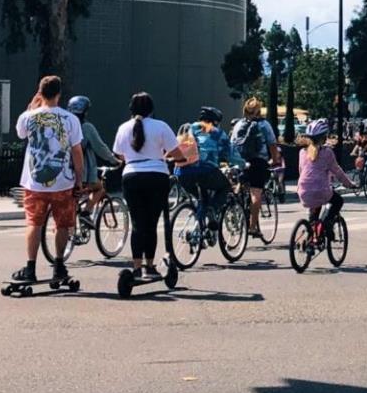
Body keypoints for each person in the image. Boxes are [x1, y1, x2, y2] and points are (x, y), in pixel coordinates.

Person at [12, 76, 85, 289]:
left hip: (34, 181)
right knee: (63, 223)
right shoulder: (71, 119)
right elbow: (77, 151)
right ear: (59, 94)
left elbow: (20, 134)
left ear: (40, 93)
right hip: (63, 181)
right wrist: (79, 179)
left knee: (34, 223)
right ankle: (59, 263)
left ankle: (30, 267)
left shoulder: (28, 117)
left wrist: (30, 107)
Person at [112, 92, 178, 284]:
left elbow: (119, 155)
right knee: (151, 223)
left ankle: (136, 267)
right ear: (151, 109)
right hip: (157, 175)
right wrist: (177, 159)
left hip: (131, 176)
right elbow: (175, 151)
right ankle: (150, 266)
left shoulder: (123, 128)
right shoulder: (161, 126)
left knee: (137, 223)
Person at [176, 106, 242, 222]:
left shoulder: (188, 128)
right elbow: (230, 154)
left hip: (181, 172)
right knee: (225, 186)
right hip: (205, 171)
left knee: (203, 200)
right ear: (215, 121)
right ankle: (212, 209)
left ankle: (199, 230)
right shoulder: (217, 133)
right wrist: (243, 164)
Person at [231, 97, 279, 230]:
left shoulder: (238, 124)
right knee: (255, 192)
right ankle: (252, 226)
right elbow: (272, 145)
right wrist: (274, 160)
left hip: (241, 161)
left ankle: (234, 207)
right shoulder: (264, 124)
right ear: (259, 110)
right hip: (258, 161)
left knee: (240, 183)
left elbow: (232, 144)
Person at [296, 119, 350, 233]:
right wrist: (349, 184)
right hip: (321, 191)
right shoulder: (327, 152)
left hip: (303, 191)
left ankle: (310, 237)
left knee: (313, 209)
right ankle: (326, 225)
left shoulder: (302, 152)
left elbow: (302, 171)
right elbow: (337, 171)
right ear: (324, 137)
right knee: (338, 201)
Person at [68, 95, 120, 212]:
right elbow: (100, 147)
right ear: (85, 112)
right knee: (99, 188)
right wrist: (114, 160)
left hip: (65, 171)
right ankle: (86, 213)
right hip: (82, 172)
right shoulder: (86, 127)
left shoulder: (65, 126)